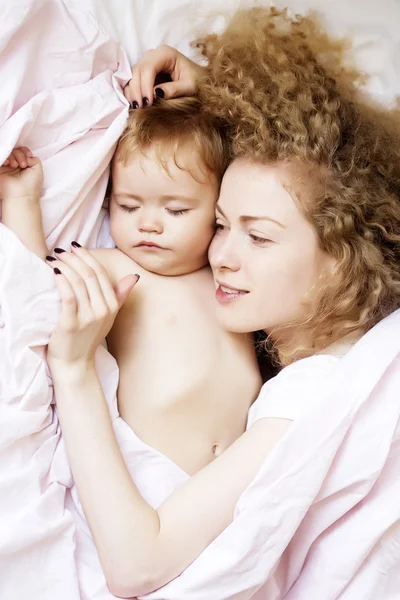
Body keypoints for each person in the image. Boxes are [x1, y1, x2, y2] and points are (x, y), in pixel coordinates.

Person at [4, 6, 400, 598]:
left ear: (345, 253)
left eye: (257, 236)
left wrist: (75, 369)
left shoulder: (327, 385)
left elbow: (136, 566)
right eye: (218, 224)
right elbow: (36, 289)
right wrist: (213, 94)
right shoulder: (268, 341)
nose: (221, 256)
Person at [0, 97, 261, 479]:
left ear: (220, 211)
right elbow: (35, 287)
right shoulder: (116, 267)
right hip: (149, 478)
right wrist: (22, 200)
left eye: (175, 210)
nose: (149, 224)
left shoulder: (230, 274)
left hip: (237, 481)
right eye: (127, 206)